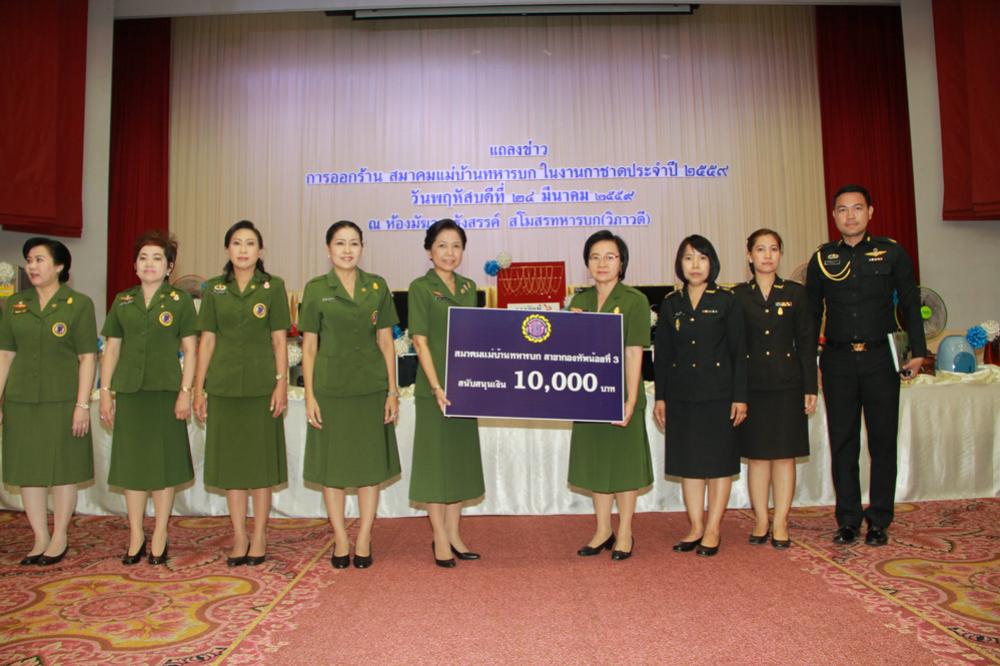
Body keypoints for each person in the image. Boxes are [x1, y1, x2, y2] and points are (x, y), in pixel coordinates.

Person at [806, 184, 926, 547]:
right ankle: (847, 519)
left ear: (870, 212)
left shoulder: (892, 253)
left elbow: (910, 303)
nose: (850, 216)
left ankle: (879, 520)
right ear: (834, 216)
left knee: (882, 441)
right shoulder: (823, 259)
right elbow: (811, 315)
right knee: (843, 442)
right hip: (838, 360)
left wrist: (918, 351)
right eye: (842, 209)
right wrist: (810, 363)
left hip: (880, 359)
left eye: (857, 208)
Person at [301, 221, 401, 570]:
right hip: (330, 390)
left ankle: (364, 537)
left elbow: (386, 341)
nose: (347, 250)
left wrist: (392, 391)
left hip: (371, 388)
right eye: (340, 243)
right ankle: (341, 538)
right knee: (333, 469)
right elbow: (309, 347)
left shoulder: (377, 286)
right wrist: (309, 395)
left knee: (369, 467)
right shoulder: (316, 289)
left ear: (362, 248)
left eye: (354, 243)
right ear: (328, 249)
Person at [193, 220, 290, 566]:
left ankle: (259, 534)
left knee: (260, 467)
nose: (244, 249)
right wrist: (199, 388)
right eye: (237, 243)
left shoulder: (273, 287)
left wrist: (281, 382)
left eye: (250, 243)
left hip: (262, 386)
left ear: (260, 251)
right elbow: (207, 341)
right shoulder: (214, 289)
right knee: (233, 467)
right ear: (227, 249)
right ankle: (239, 536)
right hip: (224, 386)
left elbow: (279, 339)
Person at [99, 231, 197, 565]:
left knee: (163, 465)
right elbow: (111, 349)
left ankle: (160, 533)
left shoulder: (180, 301)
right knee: (133, 466)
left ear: (169, 267)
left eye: (157, 258)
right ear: (135, 265)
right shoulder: (122, 300)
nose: (149, 264)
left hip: (166, 392)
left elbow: (190, 349)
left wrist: (186, 392)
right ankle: (135, 534)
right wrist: (105, 392)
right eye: (143, 258)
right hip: (130, 392)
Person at [0, 237, 98, 566]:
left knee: (63, 469)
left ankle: (60, 535)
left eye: (39, 260)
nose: (32, 266)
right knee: (29, 469)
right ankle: (40, 536)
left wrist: (82, 405)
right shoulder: (15, 304)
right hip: (21, 399)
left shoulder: (78, 304)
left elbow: (87, 358)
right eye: (29, 260)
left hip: (62, 399)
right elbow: (4, 355)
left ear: (59, 266)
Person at [654, 235, 747, 557]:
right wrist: (661, 397)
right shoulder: (671, 303)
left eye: (702, 258)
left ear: (712, 263)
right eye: (688, 258)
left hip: (719, 394)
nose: (695, 265)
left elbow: (739, 351)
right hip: (681, 395)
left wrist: (740, 397)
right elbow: (663, 355)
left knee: (718, 463)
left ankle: (713, 528)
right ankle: (695, 526)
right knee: (690, 463)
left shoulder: (727, 300)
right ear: (680, 263)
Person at [568, 230, 653, 561]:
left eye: (610, 257)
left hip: (622, 396)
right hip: (588, 397)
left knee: (624, 466)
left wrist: (630, 401)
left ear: (622, 263)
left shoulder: (634, 300)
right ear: (587, 263)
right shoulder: (580, 302)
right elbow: (569, 355)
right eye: (595, 257)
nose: (602, 263)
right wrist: (568, 329)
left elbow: (634, 353)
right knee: (597, 464)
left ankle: (626, 531)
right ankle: (603, 529)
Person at [408, 219, 484, 568]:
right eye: (442, 245)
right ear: (429, 250)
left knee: (458, 463)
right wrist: (437, 386)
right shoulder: (421, 288)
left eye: (456, 246)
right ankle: (439, 536)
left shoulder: (469, 287)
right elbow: (420, 341)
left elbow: (477, 337)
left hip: (465, 389)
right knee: (435, 465)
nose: (449, 252)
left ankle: (454, 533)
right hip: (433, 390)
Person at [734, 229, 817, 549]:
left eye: (773, 249)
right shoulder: (738, 295)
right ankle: (761, 519)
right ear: (749, 255)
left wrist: (810, 386)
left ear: (780, 254)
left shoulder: (796, 293)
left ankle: (781, 521)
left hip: (787, 385)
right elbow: (734, 347)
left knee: (784, 457)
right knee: (757, 458)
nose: (767, 255)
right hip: (752, 386)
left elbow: (806, 343)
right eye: (760, 249)